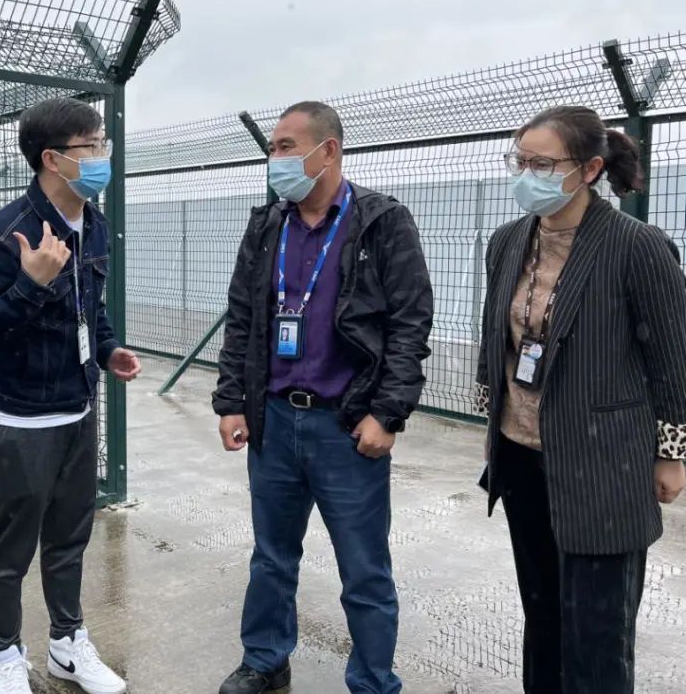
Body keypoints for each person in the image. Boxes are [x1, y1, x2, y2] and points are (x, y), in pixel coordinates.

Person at [213, 102, 434, 694]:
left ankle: (373, 681)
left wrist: (387, 413)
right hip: (274, 420)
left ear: (328, 150)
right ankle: (265, 660)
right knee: (271, 557)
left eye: (286, 146)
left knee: (364, 568)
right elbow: (242, 319)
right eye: (272, 147)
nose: (275, 158)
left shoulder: (382, 222)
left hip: (346, 427)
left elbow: (410, 322)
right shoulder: (267, 226)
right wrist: (230, 401)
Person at [475, 105, 686, 693]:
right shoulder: (507, 242)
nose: (528, 175)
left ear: (590, 169)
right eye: (521, 162)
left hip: (605, 467)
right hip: (521, 457)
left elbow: (673, 360)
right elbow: (495, 338)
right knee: (542, 616)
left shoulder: (637, 246)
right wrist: (492, 425)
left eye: (543, 164)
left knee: (597, 634)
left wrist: (671, 454)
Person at [0, 97, 141, 694]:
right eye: (93, 147)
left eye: (103, 144)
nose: (104, 156)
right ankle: (4, 656)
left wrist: (108, 350)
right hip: (22, 417)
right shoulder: (4, 235)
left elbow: (92, 309)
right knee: (10, 548)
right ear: (53, 159)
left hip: (79, 405)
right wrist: (30, 284)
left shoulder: (95, 223)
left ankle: (67, 644)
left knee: (69, 536)